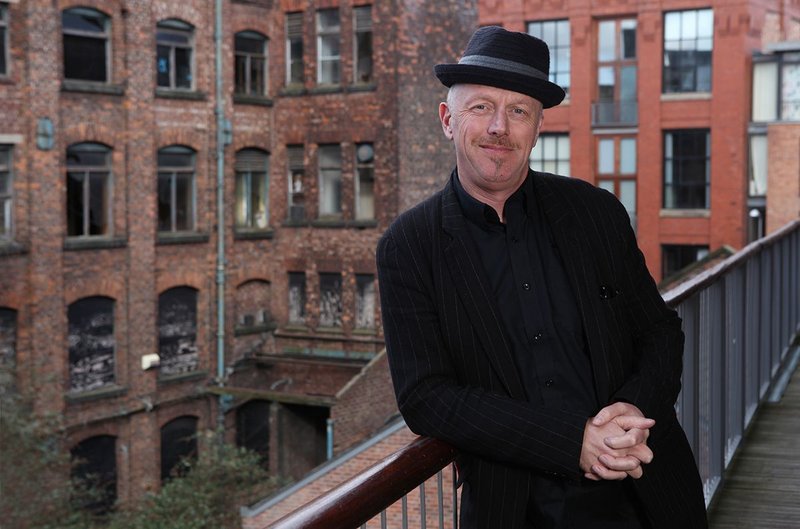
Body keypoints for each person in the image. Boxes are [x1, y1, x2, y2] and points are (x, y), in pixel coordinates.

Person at [376, 26, 708, 529]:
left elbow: (661, 331)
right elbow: (427, 398)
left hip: (646, 493)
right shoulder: (408, 245)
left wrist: (631, 412)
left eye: (519, 111)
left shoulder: (597, 212)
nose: (499, 127)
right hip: (517, 511)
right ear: (448, 119)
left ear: (537, 128)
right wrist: (569, 440)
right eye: (481, 107)